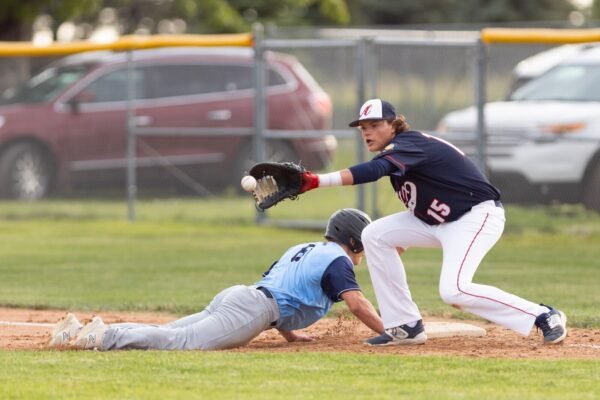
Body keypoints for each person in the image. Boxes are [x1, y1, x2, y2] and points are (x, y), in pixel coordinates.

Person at [296, 98, 567, 346]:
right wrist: (396, 246)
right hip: (437, 221)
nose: (367, 132)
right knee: (376, 234)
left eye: (375, 125)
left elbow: (374, 170)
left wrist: (317, 180)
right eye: (363, 127)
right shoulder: (400, 152)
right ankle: (405, 326)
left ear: (394, 125)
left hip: (475, 216)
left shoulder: (409, 144)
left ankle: (544, 315)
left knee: (454, 291)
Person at [47, 208, 384, 351]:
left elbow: (283, 289)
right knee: (182, 343)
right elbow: (357, 303)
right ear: (353, 239)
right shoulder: (339, 260)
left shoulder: (306, 247)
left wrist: (291, 336)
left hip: (241, 296)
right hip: (252, 308)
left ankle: (80, 331)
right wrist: (389, 332)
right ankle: (103, 337)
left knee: (170, 333)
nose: (364, 251)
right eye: (363, 243)